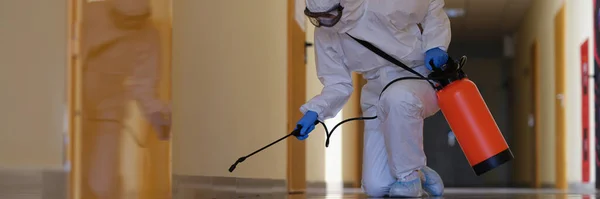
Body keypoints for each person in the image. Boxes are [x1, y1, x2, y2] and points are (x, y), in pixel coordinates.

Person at [297, 0, 451, 197]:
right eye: (317, 18)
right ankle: (419, 172)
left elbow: (432, 4)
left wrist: (436, 43)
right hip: (376, 90)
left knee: (398, 98)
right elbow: (338, 84)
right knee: (376, 187)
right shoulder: (325, 33)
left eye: (329, 15)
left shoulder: (383, 3)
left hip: (416, 77)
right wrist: (315, 111)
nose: (324, 22)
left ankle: (409, 177)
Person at [80, 0, 171, 198]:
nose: (130, 26)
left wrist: (158, 117)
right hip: (76, 110)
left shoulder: (149, 35)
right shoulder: (88, 15)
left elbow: (145, 84)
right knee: (77, 177)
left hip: (109, 113)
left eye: (135, 21)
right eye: (125, 20)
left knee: (102, 184)